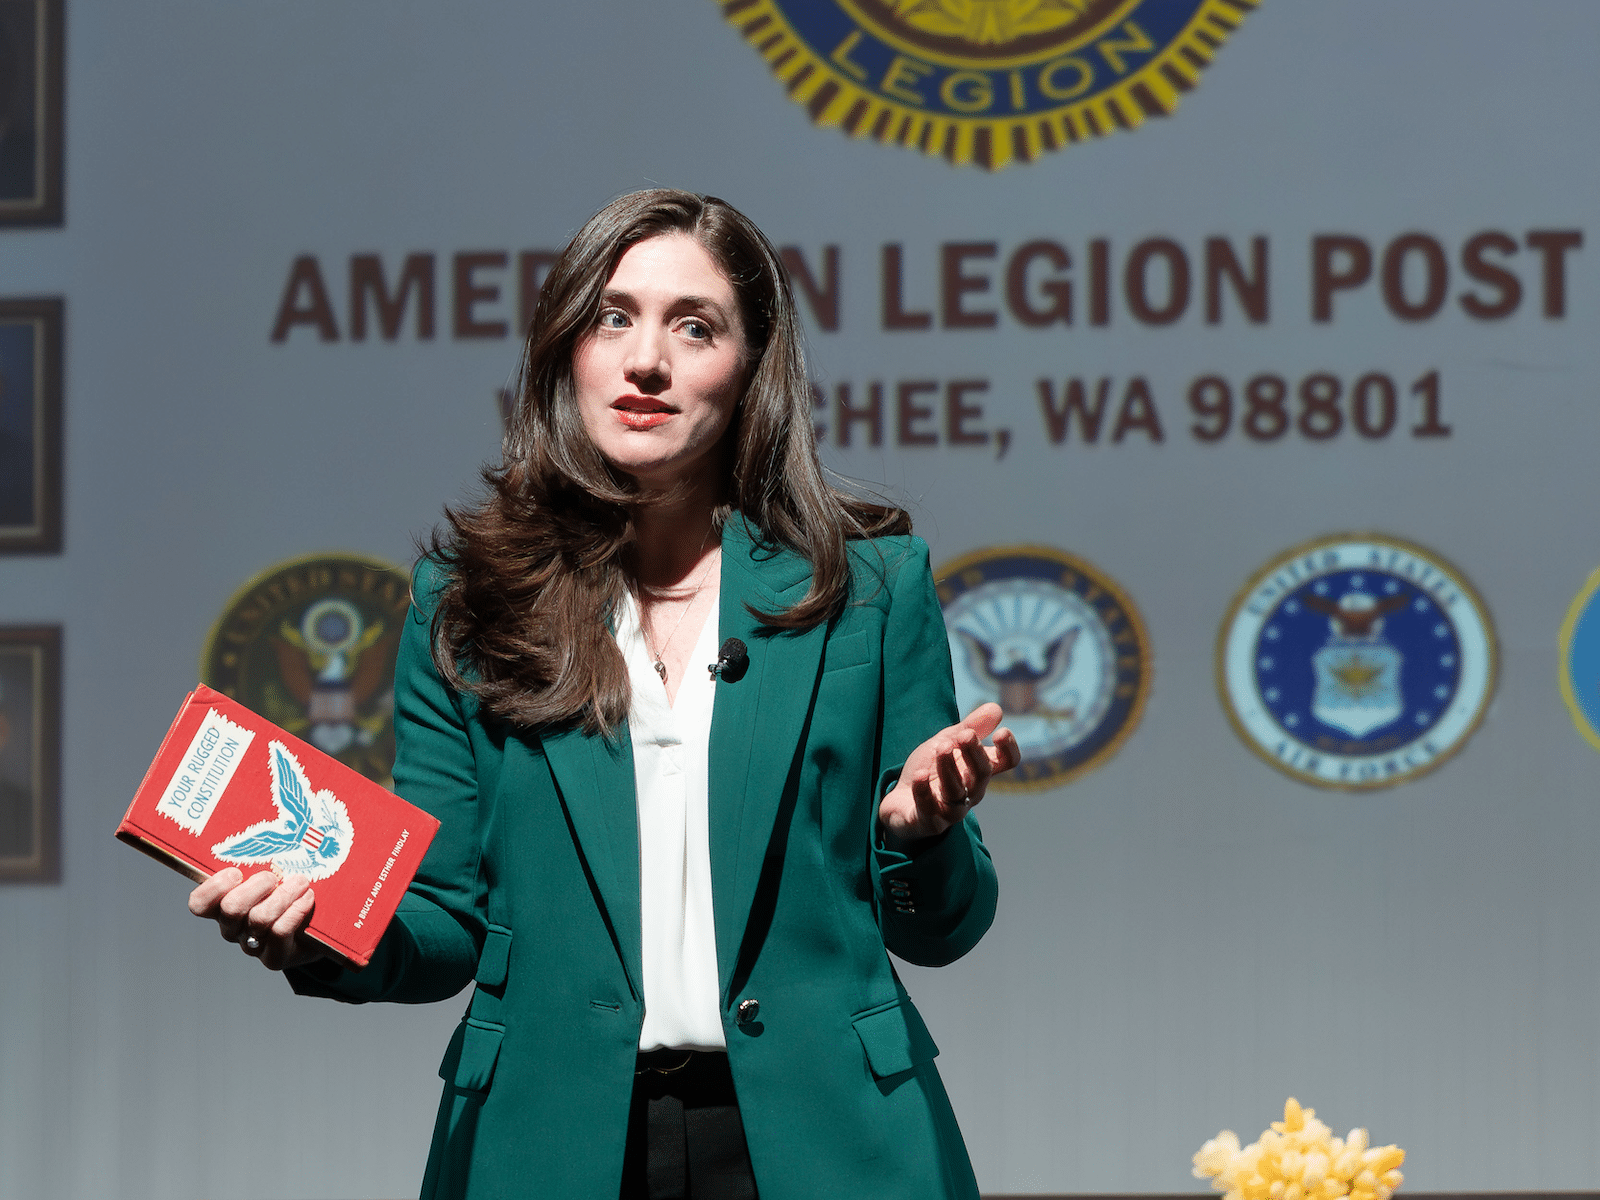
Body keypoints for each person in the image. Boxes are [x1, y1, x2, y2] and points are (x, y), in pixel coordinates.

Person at [188, 189, 1020, 1200]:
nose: (646, 361)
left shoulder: (869, 590)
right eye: (612, 317)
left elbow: (941, 929)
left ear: (752, 366)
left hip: (831, 1142)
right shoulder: (465, 603)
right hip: (549, 1144)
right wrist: (320, 928)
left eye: (695, 326)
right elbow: (444, 917)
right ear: (564, 352)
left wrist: (920, 837)